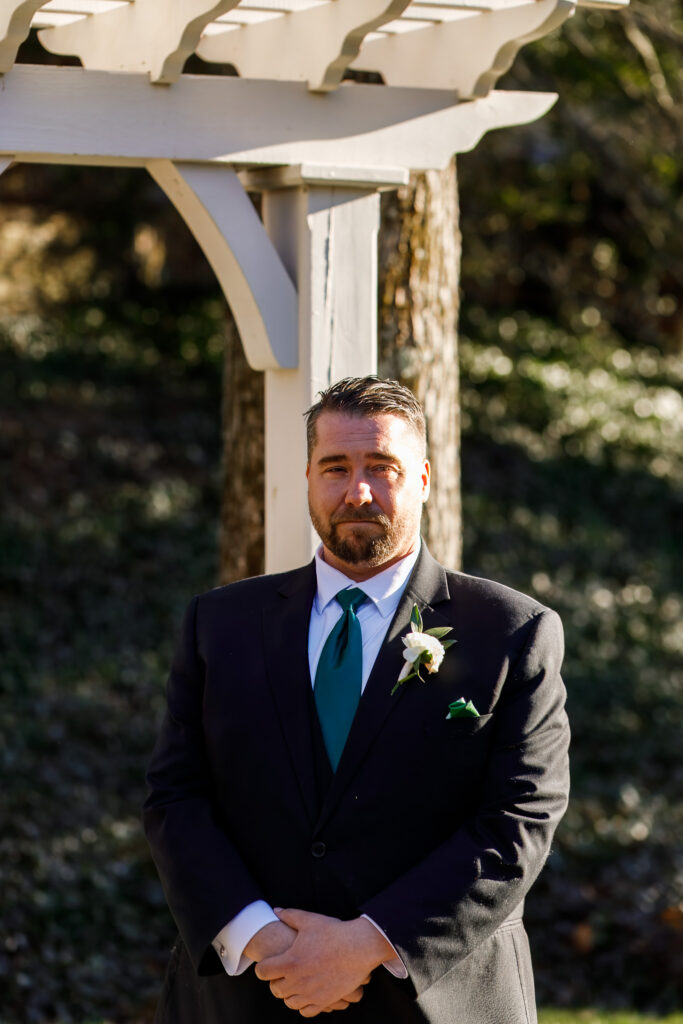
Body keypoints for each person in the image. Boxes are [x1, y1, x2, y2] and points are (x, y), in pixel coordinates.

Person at [143, 375, 570, 1024]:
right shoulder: (219, 626)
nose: (357, 492)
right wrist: (264, 940)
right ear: (309, 477)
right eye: (335, 468)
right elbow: (175, 797)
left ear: (424, 479)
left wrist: (364, 943)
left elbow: (519, 818)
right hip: (248, 996)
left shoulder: (511, 632)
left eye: (382, 467)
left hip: (436, 1001)